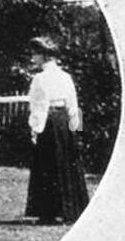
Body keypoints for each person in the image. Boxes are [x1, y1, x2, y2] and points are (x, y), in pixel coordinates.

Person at [24, 36, 89, 225]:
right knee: (65, 164)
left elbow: (38, 106)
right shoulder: (66, 77)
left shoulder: (39, 78)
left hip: (49, 123)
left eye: (35, 54)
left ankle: (49, 213)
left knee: (47, 167)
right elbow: (73, 104)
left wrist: (35, 129)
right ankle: (68, 211)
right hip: (63, 123)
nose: (33, 58)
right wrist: (76, 129)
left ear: (43, 56)